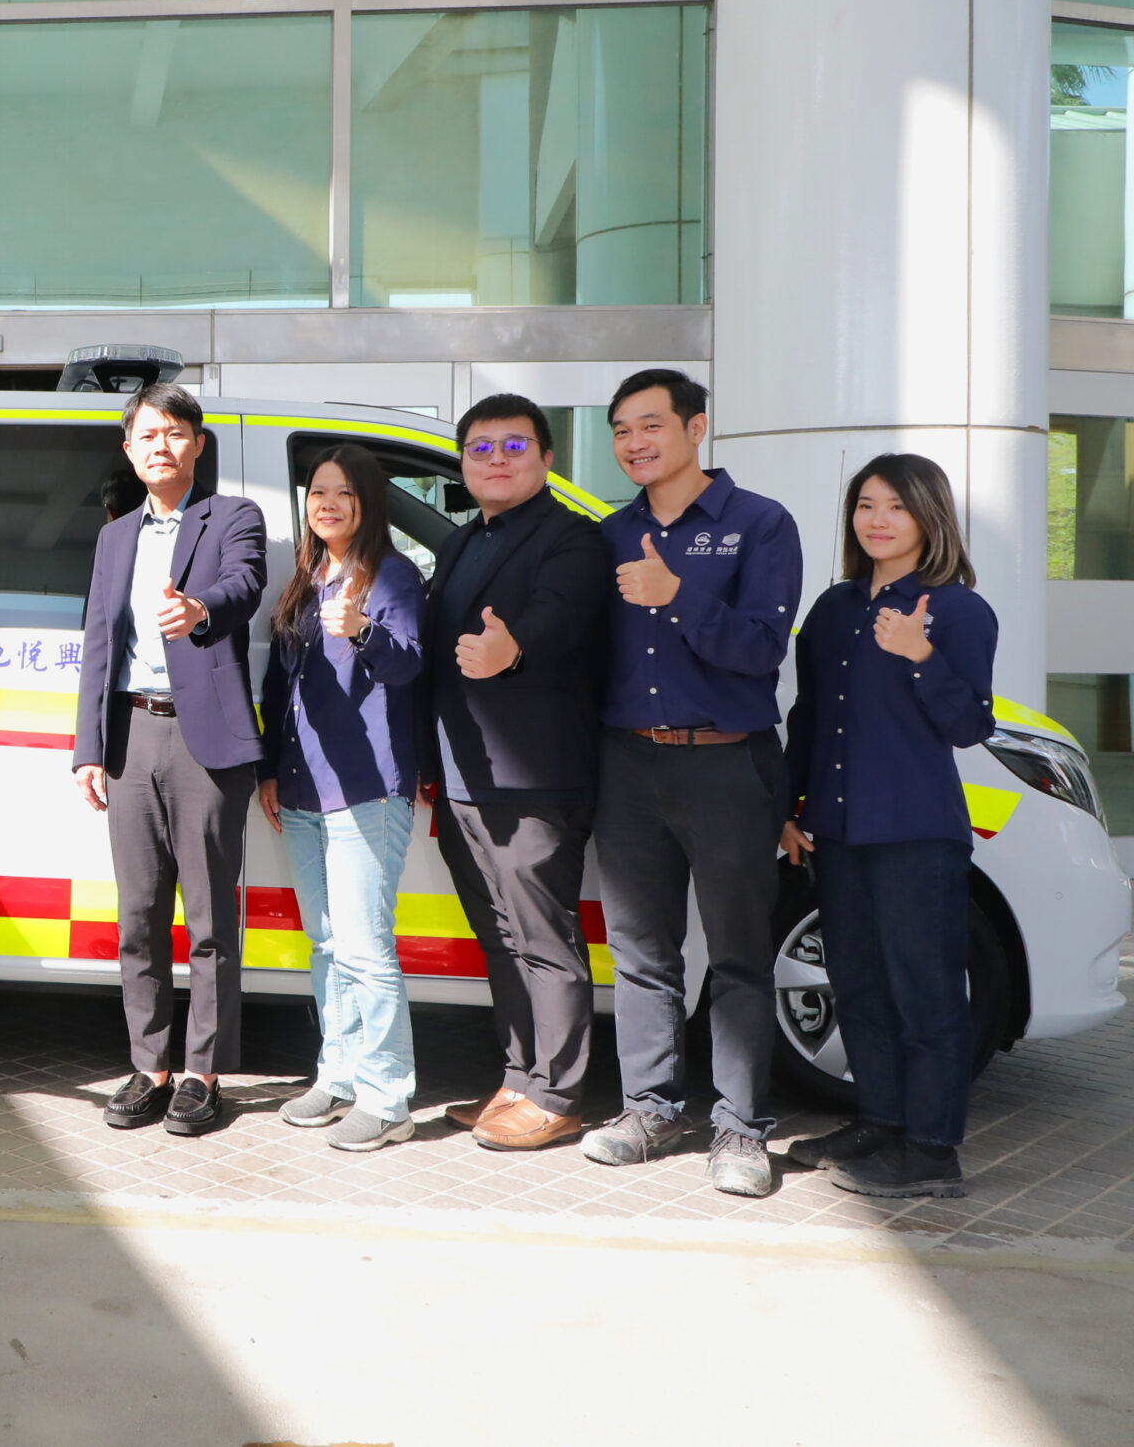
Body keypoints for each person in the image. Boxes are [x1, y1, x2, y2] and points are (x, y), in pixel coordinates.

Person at [583, 368, 802, 1197]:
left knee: (740, 952)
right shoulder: (605, 535)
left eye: (651, 426)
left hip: (727, 761)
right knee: (641, 949)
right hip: (628, 762)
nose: (634, 443)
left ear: (696, 427)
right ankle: (649, 1108)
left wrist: (676, 597)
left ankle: (741, 1130)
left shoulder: (759, 525)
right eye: (620, 430)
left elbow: (760, 649)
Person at [782, 455, 996, 1200]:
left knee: (927, 994)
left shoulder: (958, 611)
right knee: (860, 988)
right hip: (838, 833)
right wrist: (790, 806)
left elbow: (969, 724)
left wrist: (920, 655)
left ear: (928, 517)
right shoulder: (834, 609)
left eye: (895, 507)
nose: (876, 519)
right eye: (865, 504)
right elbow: (810, 718)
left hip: (915, 834)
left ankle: (933, 1152)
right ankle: (880, 1120)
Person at [73, 383, 268, 1138]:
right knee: (139, 913)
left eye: (176, 431)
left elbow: (244, 583)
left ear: (197, 444)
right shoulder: (114, 536)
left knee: (212, 917)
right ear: (130, 448)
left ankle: (203, 1072)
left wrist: (201, 609)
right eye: (148, 434)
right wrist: (89, 746)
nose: (162, 444)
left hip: (205, 740)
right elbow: (98, 642)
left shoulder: (234, 517)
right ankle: (149, 1066)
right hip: (130, 735)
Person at [422, 396, 612, 1154]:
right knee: (500, 938)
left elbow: (561, 618)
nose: (495, 458)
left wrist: (516, 647)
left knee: (543, 935)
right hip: (464, 776)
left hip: (534, 778)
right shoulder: (465, 539)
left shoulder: (572, 538)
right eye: (480, 447)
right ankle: (518, 1078)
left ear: (547, 456)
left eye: (513, 444)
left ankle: (559, 1093)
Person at [257, 444, 425, 1152]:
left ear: (369, 502)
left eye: (343, 492)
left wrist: (362, 629)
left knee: (364, 946)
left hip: (364, 786)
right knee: (326, 944)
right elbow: (278, 680)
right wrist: (270, 766)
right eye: (317, 492)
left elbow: (409, 661)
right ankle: (341, 1073)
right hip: (300, 785)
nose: (326, 503)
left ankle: (389, 1097)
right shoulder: (306, 575)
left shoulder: (390, 575)